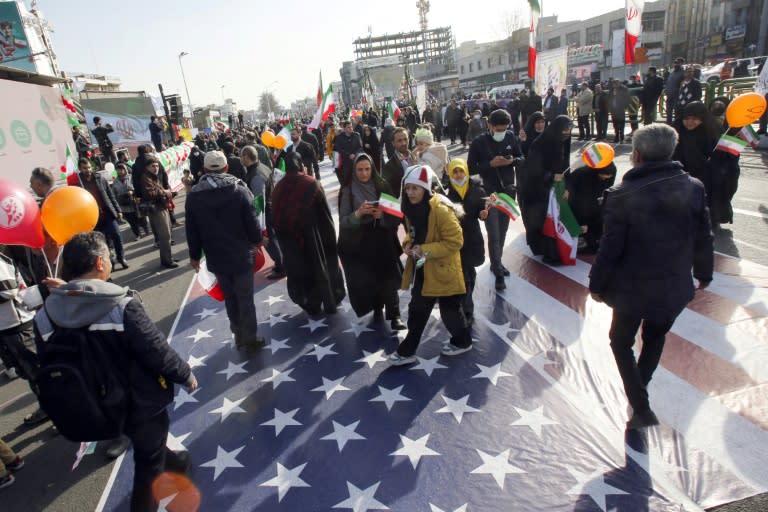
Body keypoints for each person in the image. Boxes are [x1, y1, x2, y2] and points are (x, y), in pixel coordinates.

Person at [33, 232, 197, 510]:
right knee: (148, 465)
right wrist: (185, 374)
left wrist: (66, 293)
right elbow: (156, 350)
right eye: (108, 257)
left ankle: (176, 461)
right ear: (99, 263)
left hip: (89, 403)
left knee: (149, 444)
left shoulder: (44, 317)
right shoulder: (122, 305)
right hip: (138, 402)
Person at [589, 123, 714, 429]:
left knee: (620, 341)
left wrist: (596, 284)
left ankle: (641, 403)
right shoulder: (693, 186)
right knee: (655, 337)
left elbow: (610, 247)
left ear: (637, 155)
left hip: (633, 288)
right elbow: (704, 236)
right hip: (673, 284)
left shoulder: (623, 194)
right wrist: (704, 273)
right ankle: (640, 392)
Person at [388, 165, 471, 365]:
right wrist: (408, 243)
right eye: (407, 188)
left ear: (425, 188)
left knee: (449, 311)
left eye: (415, 188)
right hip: (424, 268)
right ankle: (408, 350)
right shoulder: (411, 208)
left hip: (444, 270)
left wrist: (424, 249)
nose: (410, 193)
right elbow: (413, 233)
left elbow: (456, 241)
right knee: (418, 309)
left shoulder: (441, 209)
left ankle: (462, 341)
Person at [186, 151, 264, 350]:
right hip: (241, 255)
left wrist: (194, 256)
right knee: (245, 298)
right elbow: (252, 221)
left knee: (230, 298)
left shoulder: (194, 196)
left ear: (203, 170)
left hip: (216, 257)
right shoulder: (239, 190)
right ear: (226, 168)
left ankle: (238, 334)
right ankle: (250, 338)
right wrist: (257, 240)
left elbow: (191, 229)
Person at [270, 152, 345, 315]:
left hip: (291, 242)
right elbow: (325, 215)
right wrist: (330, 240)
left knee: (300, 272)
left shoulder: (278, 188)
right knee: (321, 269)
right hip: (314, 237)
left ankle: (309, 302)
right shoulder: (311, 184)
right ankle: (330, 300)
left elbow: (276, 218)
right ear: (299, 164)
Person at [337, 154, 405, 330]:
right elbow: (343, 221)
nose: (364, 173)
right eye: (360, 169)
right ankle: (377, 308)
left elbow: (397, 214)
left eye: (367, 169)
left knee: (389, 278)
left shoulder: (382, 184)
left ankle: (395, 315)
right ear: (354, 170)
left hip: (383, 239)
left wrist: (382, 216)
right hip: (361, 243)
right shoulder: (348, 191)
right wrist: (358, 214)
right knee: (370, 280)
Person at [467, 109, 524, 290]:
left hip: (507, 191)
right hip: (488, 193)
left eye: (504, 129)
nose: (501, 133)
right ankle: (498, 270)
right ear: (489, 125)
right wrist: (490, 164)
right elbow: (470, 168)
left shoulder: (511, 138)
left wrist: (511, 161)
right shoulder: (479, 142)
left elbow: (521, 158)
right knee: (494, 233)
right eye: (498, 129)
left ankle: (496, 262)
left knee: (503, 230)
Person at [518, 115, 573, 264]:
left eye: (569, 130)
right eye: (565, 130)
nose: (567, 133)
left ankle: (555, 251)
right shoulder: (540, 144)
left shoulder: (564, 140)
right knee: (542, 220)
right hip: (538, 188)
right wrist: (550, 177)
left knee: (556, 219)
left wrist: (567, 186)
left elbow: (566, 165)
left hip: (556, 187)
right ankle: (547, 252)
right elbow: (533, 170)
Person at [441, 159, 488, 325]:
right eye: (455, 172)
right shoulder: (445, 194)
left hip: (473, 239)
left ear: (466, 172)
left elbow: (482, 208)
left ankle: (465, 303)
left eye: (461, 171)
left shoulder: (477, 190)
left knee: (470, 273)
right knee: (464, 275)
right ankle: (467, 310)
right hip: (455, 241)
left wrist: (484, 212)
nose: (458, 175)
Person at [75, 158, 128, 269]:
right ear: (80, 169)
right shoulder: (78, 184)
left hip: (107, 213)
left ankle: (121, 257)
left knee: (116, 235)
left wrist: (118, 210)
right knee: (102, 242)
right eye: (85, 168)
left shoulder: (100, 178)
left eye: (89, 167)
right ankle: (110, 262)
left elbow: (110, 195)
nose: (88, 170)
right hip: (93, 218)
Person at [241, 145, 285, 280]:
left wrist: (257, 221)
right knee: (273, 239)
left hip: (265, 213)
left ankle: (281, 267)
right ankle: (281, 263)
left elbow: (257, 200)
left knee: (269, 240)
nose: (240, 158)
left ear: (246, 157)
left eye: (241, 156)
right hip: (271, 208)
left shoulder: (256, 175)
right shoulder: (263, 167)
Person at [565, 161, 617, 254]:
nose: (605, 180)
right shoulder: (581, 174)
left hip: (594, 205)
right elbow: (578, 202)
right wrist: (583, 223)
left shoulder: (611, 172)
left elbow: (605, 192)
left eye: (607, 178)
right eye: (602, 177)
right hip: (577, 205)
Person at [112, 163, 149, 241]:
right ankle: (137, 234)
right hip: (124, 204)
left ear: (125, 169)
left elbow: (138, 187)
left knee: (141, 218)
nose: (120, 171)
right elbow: (114, 194)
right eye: (118, 170)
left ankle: (146, 230)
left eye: (121, 169)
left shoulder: (131, 177)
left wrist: (133, 191)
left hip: (134, 202)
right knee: (132, 221)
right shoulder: (115, 181)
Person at [381, 127, 416, 199]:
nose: (403, 143)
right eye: (399, 141)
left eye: (405, 139)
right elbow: (387, 194)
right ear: (393, 143)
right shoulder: (389, 166)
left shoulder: (417, 157)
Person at [665, 58, 686, 124]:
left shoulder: (683, 73)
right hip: (669, 94)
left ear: (681, 63)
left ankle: (677, 125)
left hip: (677, 95)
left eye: (678, 63)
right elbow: (668, 82)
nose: (676, 64)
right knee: (669, 111)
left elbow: (683, 84)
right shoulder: (672, 72)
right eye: (675, 63)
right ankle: (669, 124)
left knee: (677, 111)